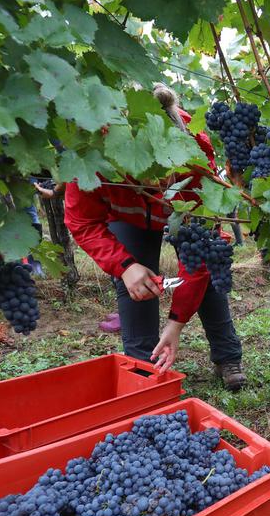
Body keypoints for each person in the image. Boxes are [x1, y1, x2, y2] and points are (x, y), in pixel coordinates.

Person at [64, 85, 246, 391]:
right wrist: (124, 267)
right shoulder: (95, 153)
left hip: (182, 214)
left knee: (210, 277)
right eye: (148, 174)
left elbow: (199, 257)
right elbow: (81, 220)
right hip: (128, 219)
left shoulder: (193, 149)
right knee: (134, 285)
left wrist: (176, 324)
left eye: (166, 173)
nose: (159, 183)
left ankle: (228, 357)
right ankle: (142, 368)